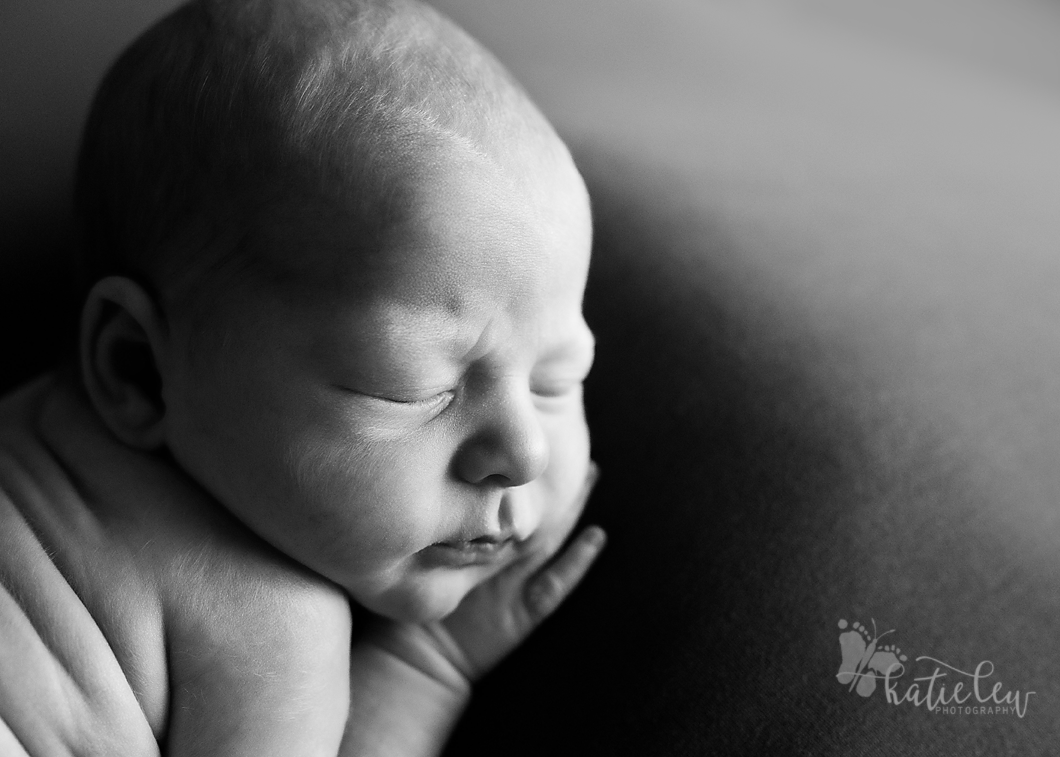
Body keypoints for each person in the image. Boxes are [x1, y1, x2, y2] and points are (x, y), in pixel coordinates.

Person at [0, 0, 604, 754]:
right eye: (411, 386)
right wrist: (426, 667)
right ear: (140, 369)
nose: (525, 453)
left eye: (557, 379)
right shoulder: (273, 620)